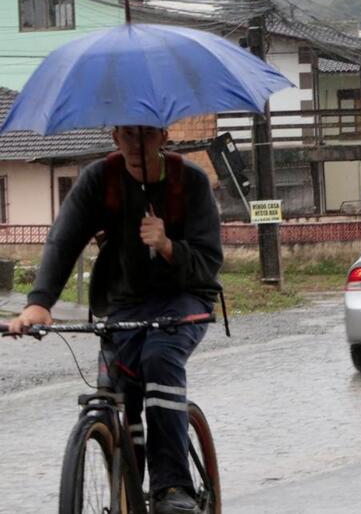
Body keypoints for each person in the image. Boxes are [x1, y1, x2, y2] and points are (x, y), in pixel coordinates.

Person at [6, 125, 223, 514]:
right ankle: (127, 486)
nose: (135, 143)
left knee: (158, 358)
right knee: (121, 384)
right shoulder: (100, 179)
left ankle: (172, 488)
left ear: (163, 136)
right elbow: (64, 238)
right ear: (114, 137)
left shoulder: (188, 180)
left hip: (185, 298)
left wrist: (169, 246)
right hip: (124, 302)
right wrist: (39, 303)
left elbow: (209, 264)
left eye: (146, 134)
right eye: (126, 134)